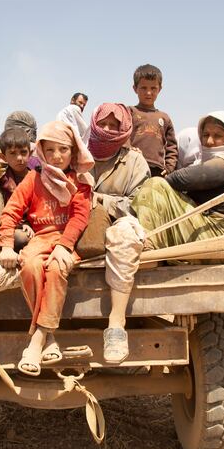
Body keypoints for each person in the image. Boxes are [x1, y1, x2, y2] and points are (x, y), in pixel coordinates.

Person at [0, 121, 94, 376]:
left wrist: (65, 246)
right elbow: (11, 212)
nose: (56, 156)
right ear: (41, 152)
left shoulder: (80, 181)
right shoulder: (33, 178)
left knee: (56, 268)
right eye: (49, 150)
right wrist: (7, 245)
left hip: (66, 240)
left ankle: (36, 341)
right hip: (40, 238)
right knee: (28, 265)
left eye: (62, 149)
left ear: (73, 152)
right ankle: (49, 337)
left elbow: (80, 216)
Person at [132, 110, 224, 250]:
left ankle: (147, 246)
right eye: (205, 135)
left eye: (218, 136)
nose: (209, 141)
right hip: (205, 228)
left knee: (155, 185)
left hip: (221, 235)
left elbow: (180, 179)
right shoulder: (206, 161)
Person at [86, 103, 150, 363]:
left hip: (119, 223)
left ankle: (115, 323)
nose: (108, 129)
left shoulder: (134, 160)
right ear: (94, 123)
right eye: (104, 124)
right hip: (79, 223)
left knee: (124, 236)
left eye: (115, 125)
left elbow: (138, 203)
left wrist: (98, 200)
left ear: (124, 129)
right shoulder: (76, 152)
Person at [128, 64, 178, 178]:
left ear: (159, 89)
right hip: (132, 165)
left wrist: (169, 167)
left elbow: (172, 147)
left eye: (153, 88)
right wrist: (128, 149)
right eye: (144, 88)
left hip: (157, 170)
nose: (148, 93)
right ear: (135, 88)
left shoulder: (164, 118)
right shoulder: (129, 112)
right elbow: (122, 136)